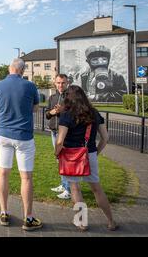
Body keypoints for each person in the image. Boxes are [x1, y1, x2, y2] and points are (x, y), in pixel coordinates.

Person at [55, 85, 117, 231]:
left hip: (71, 156)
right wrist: (95, 152)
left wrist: (57, 154)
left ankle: (82, 222)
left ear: (67, 98)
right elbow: (105, 138)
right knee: (97, 189)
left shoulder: (67, 114)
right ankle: (111, 221)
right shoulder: (94, 113)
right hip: (90, 154)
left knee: (75, 188)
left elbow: (59, 141)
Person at [0, 58, 43, 231]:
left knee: (3, 173)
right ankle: (28, 218)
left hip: (4, 135)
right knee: (26, 177)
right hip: (23, 137)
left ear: (9, 68)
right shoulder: (30, 86)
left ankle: (4, 212)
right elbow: (35, 108)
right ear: (22, 71)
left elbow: (0, 105)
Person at [46, 74, 71, 200]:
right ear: (55, 83)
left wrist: (63, 111)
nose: (60, 85)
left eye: (63, 83)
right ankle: (63, 184)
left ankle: (68, 189)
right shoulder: (52, 97)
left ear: (67, 83)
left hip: (65, 133)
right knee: (59, 160)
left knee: (65, 160)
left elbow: (75, 114)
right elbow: (47, 114)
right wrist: (52, 112)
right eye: (58, 83)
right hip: (53, 132)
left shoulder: (71, 97)